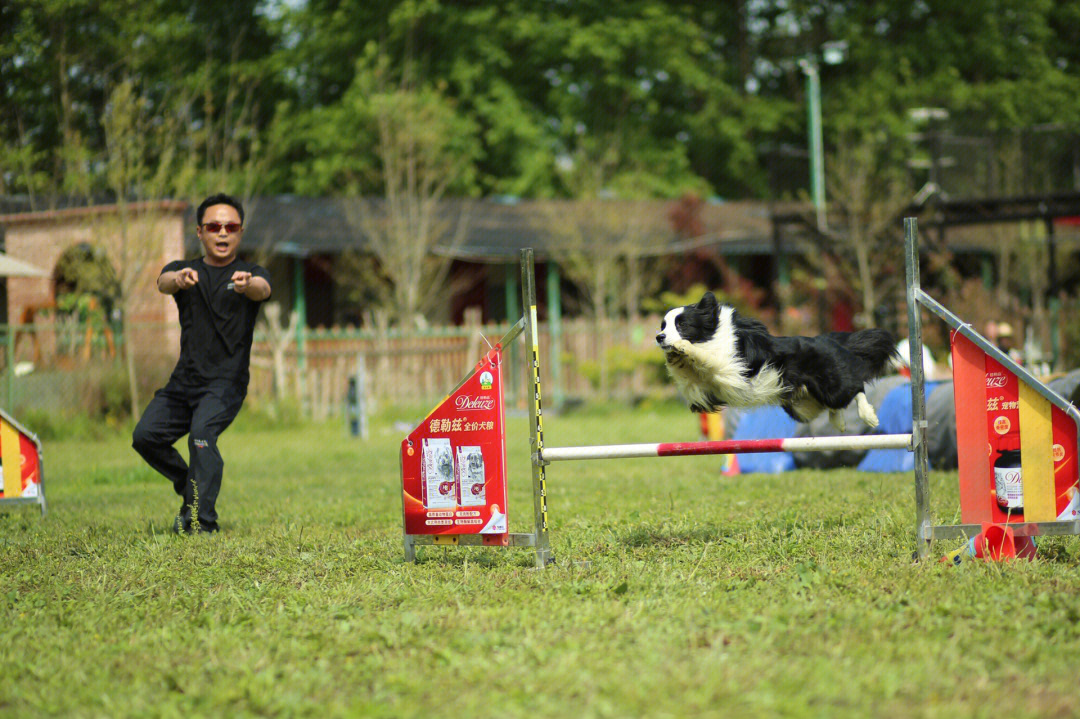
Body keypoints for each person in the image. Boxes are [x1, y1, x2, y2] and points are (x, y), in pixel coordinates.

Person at [131, 193, 272, 534]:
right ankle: (188, 482)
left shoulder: (249, 273)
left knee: (202, 436)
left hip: (225, 383)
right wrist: (178, 280)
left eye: (231, 227)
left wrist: (247, 285)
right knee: (145, 436)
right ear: (200, 232)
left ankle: (201, 521)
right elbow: (163, 281)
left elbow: (263, 289)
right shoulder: (185, 271)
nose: (222, 233)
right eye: (214, 226)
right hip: (184, 383)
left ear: (240, 232)